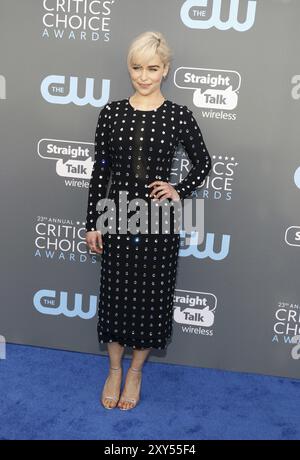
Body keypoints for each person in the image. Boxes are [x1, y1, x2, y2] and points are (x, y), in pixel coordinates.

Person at [85, 31, 212, 410]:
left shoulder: (178, 115)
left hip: (159, 221)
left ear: (165, 70)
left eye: (152, 68)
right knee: (115, 296)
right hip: (117, 217)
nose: (144, 75)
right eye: (137, 67)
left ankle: (136, 372)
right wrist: (93, 222)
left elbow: (203, 162)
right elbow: (100, 172)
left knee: (151, 298)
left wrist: (179, 189)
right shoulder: (111, 112)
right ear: (130, 68)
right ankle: (114, 369)